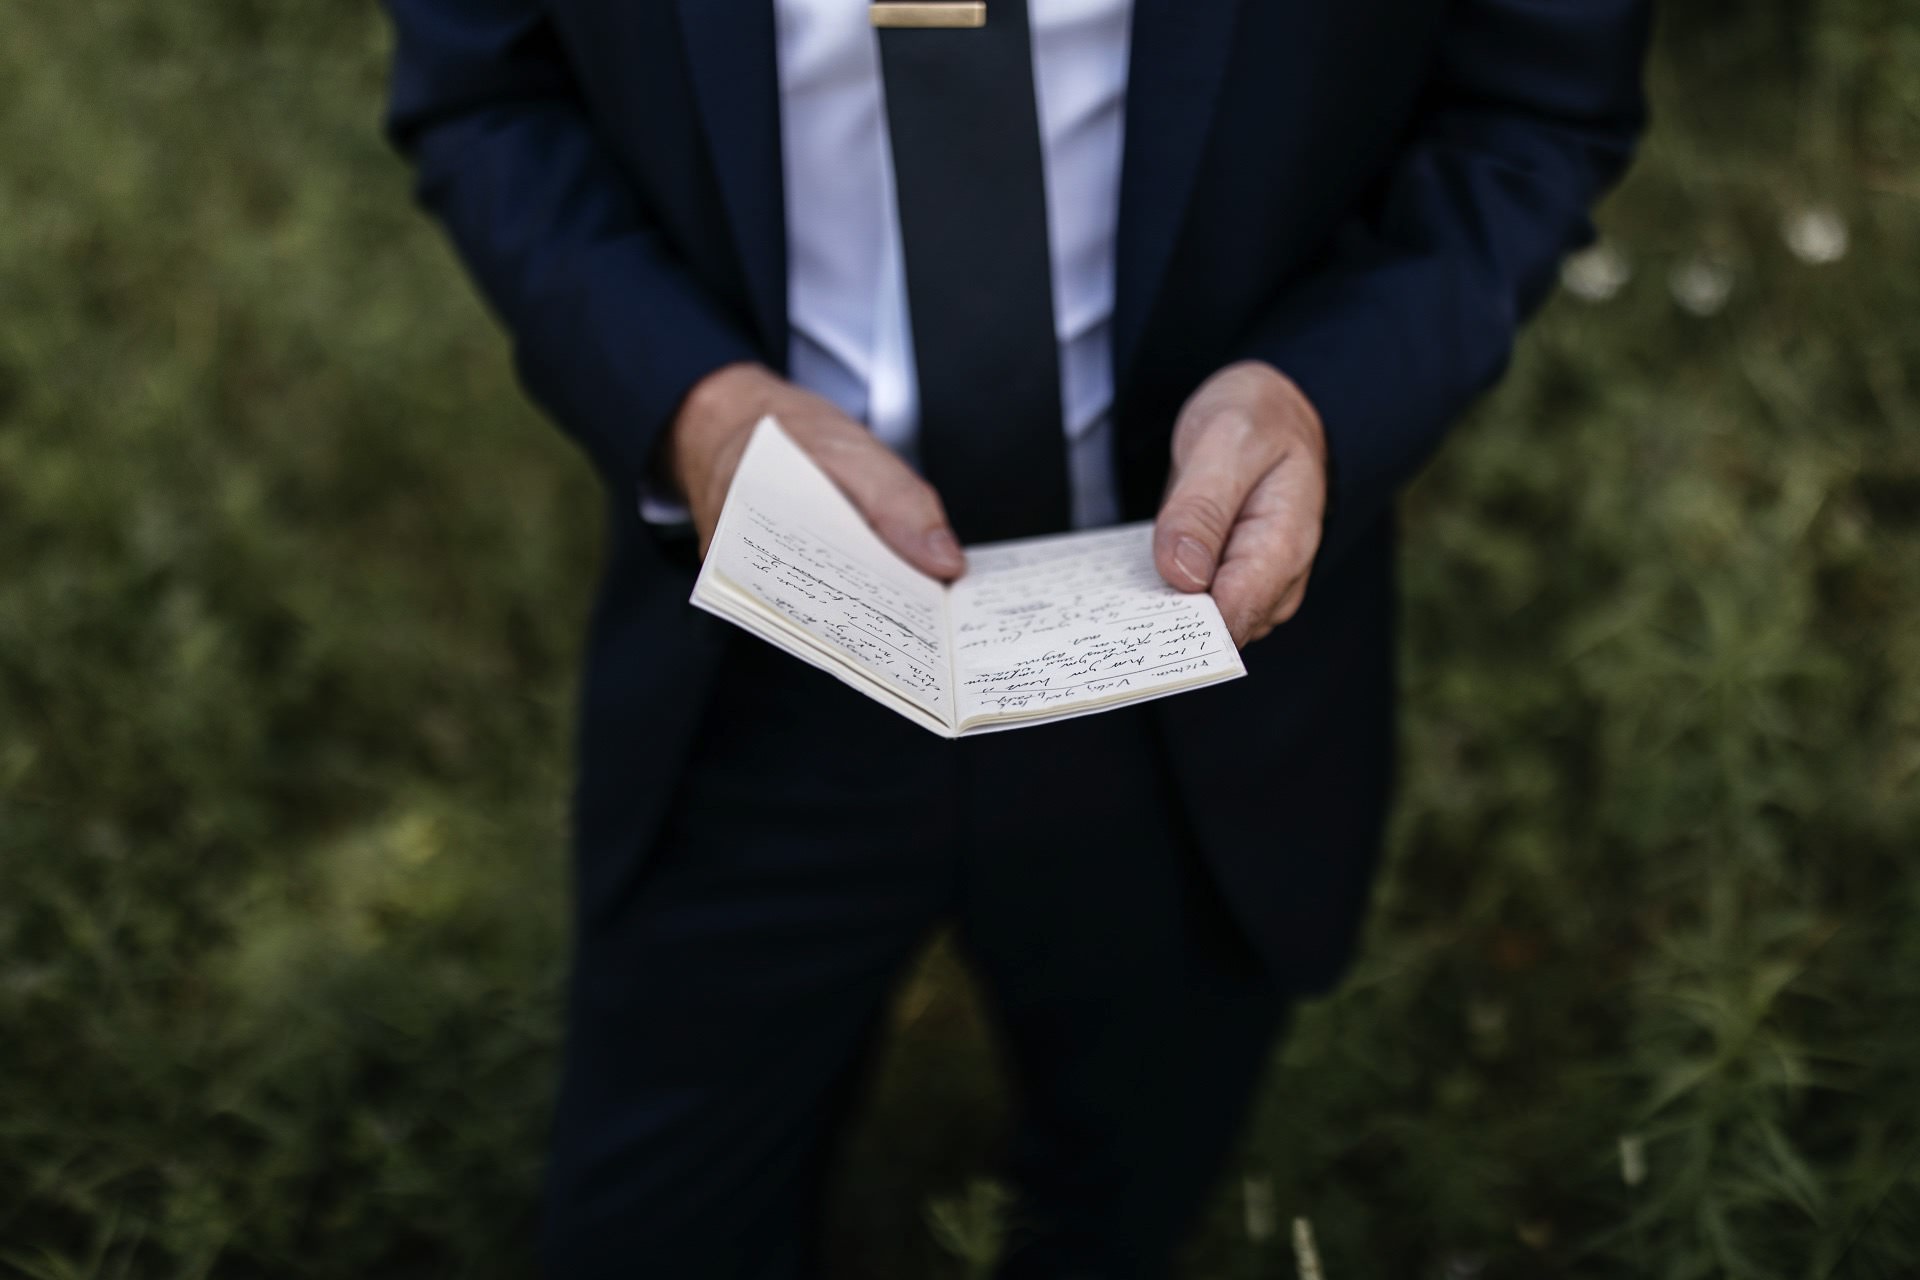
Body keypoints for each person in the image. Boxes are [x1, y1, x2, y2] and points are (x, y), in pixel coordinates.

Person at [380, 0, 1650, 1274]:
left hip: (1191, 656)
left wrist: (1322, 396)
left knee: (1120, 1209)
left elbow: (1534, 105)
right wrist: (693, 405)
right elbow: (485, 91)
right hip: (762, 645)